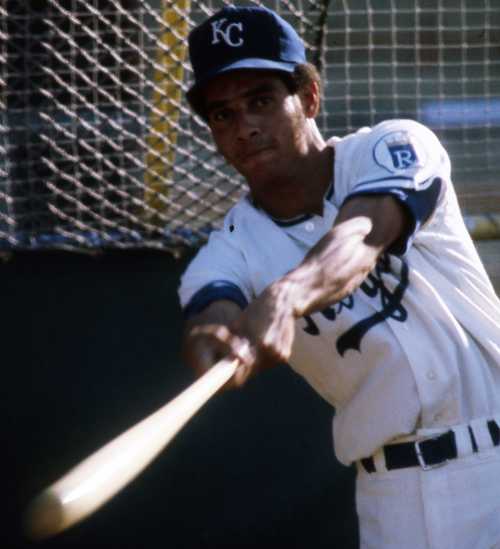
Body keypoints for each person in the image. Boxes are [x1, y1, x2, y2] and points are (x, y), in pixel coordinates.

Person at [178, 5, 500, 548]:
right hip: (394, 500)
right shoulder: (227, 249)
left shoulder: (394, 146)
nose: (244, 126)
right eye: (222, 114)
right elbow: (212, 310)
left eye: (261, 100)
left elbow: (362, 237)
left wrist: (286, 296)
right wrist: (215, 339)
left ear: (309, 97)